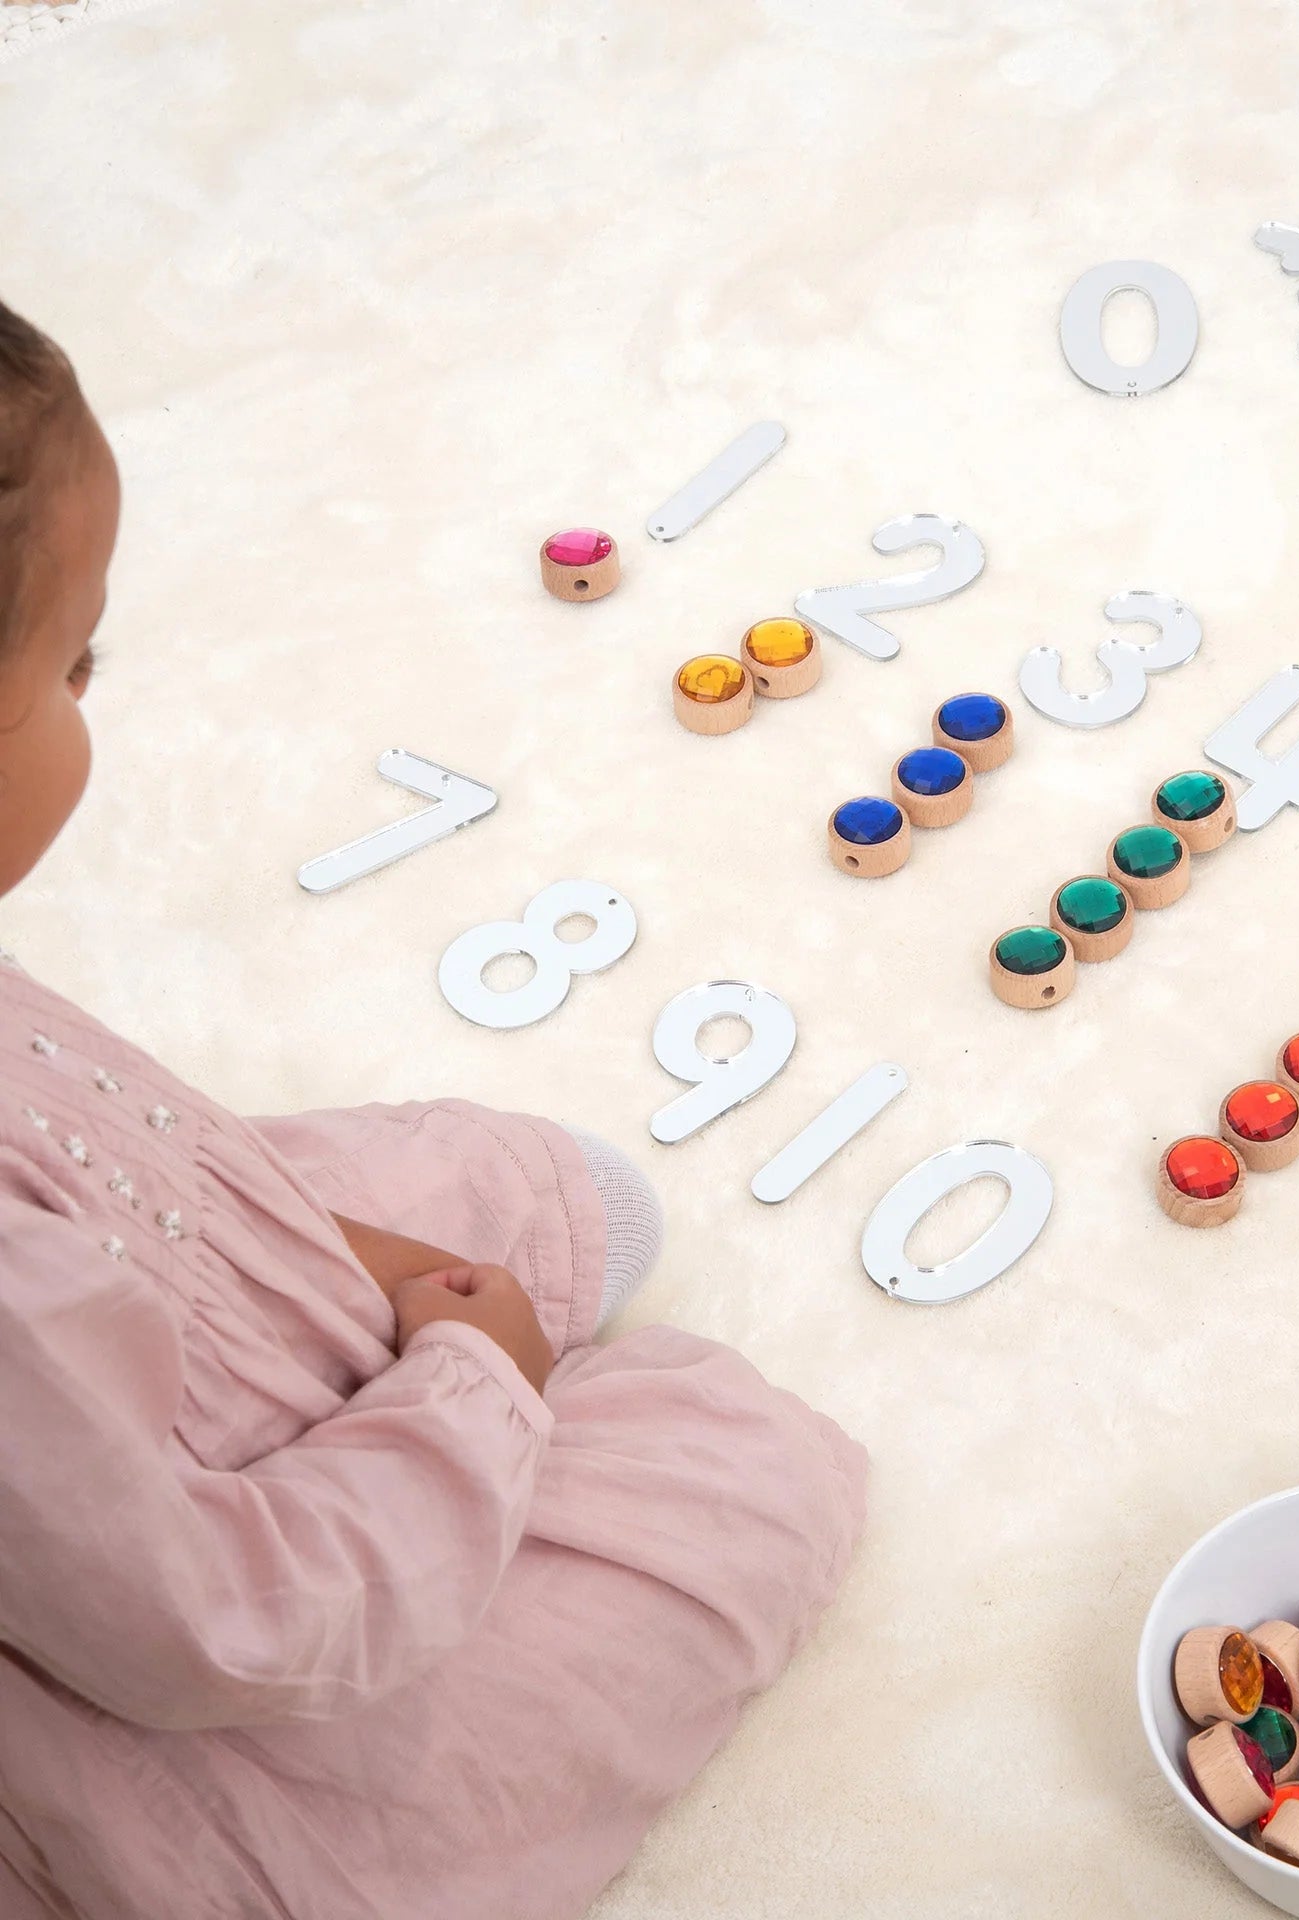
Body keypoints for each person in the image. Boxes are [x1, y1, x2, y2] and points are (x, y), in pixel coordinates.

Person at [0, 296, 866, 1920]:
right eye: (73, 663)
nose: (89, 695)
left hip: (142, 1323)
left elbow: (106, 1150)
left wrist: (325, 1247)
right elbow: (217, 1627)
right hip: (201, 1706)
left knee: (526, 1179)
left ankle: (437, 1372)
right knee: (741, 1467)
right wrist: (473, 1381)